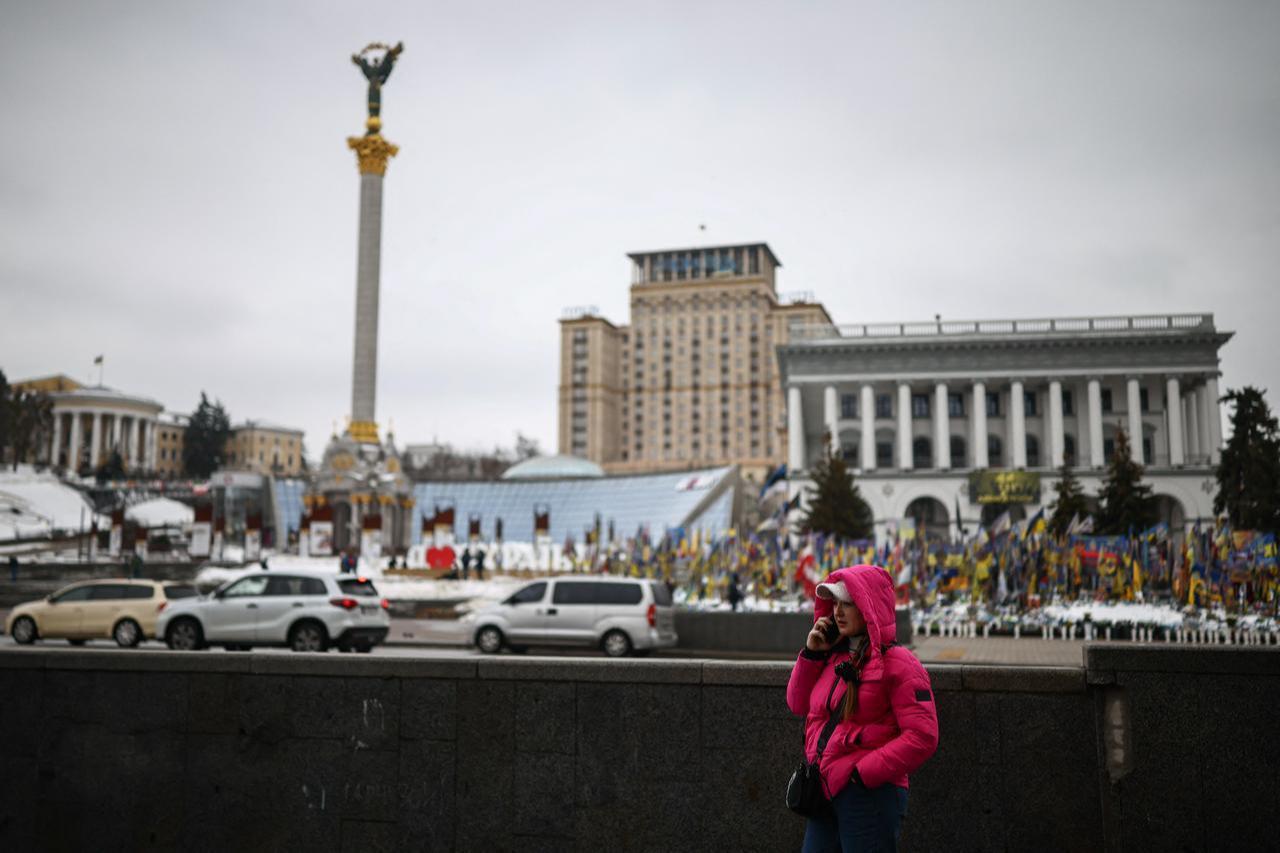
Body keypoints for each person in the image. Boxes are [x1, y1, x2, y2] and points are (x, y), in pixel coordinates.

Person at [786, 564, 939, 852]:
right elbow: (797, 703)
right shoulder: (832, 656)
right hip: (824, 789)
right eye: (835, 603)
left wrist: (861, 774)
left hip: (869, 795)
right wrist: (811, 654)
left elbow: (923, 736)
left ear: (869, 607)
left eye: (848, 603)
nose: (838, 612)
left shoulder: (900, 663)